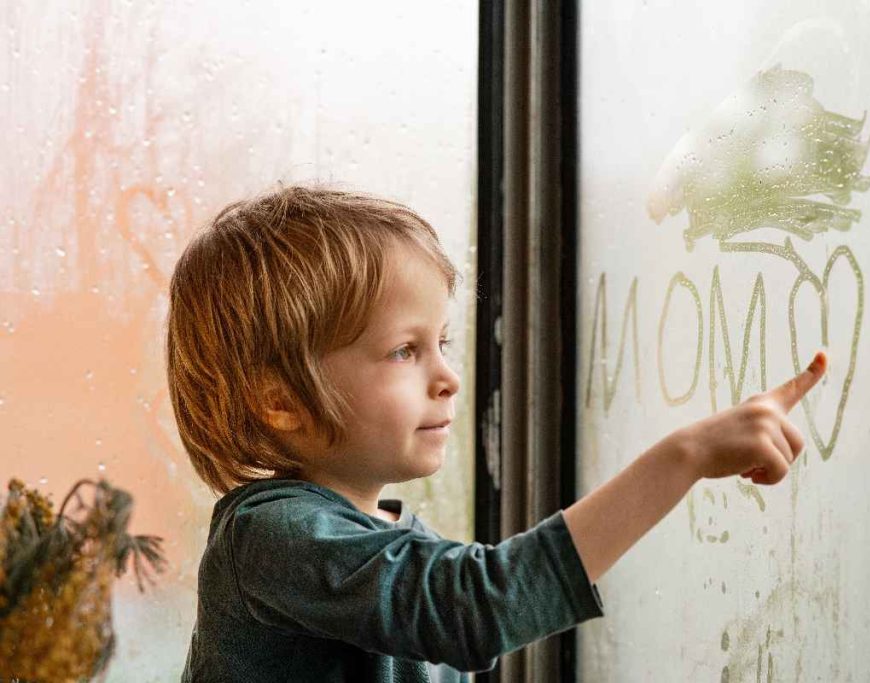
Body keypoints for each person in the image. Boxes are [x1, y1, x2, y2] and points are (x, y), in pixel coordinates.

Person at [167, 183, 827, 682]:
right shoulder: (269, 538)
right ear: (280, 401)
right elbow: (480, 608)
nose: (448, 377)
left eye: (442, 343)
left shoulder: (396, 543)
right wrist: (687, 455)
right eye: (404, 350)